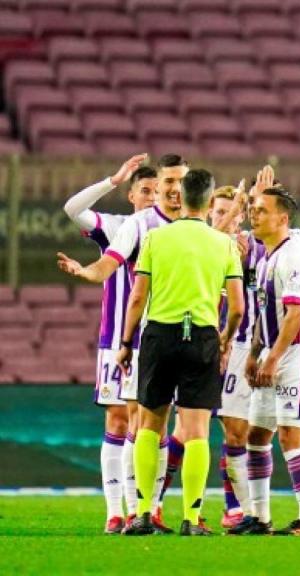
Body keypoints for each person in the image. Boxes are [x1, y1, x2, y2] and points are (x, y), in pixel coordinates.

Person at [58, 153, 189, 534]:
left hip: (164, 337)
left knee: (154, 424)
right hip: (119, 336)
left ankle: (149, 507)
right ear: (132, 195)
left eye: (157, 189)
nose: (151, 196)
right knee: (119, 419)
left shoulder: (181, 226)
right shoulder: (120, 226)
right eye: (144, 190)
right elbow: (72, 208)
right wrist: (112, 180)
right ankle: (117, 511)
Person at [118, 168, 244, 536]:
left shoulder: (156, 239)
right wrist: (224, 339)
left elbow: (138, 296)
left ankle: (142, 512)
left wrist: (126, 343)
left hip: (159, 336)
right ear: (207, 202)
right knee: (197, 431)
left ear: (180, 197)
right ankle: (191, 518)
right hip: (202, 336)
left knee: (149, 426)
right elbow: (236, 306)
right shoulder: (224, 245)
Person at [239, 186, 300, 536]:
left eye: (261, 210)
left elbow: (295, 315)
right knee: (257, 434)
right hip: (271, 354)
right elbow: (264, 312)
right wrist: (252, 353)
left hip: (298, 355)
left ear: (282, 218)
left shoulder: (294, 258)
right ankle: (260, 517)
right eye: (253, 209)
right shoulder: (265, 258)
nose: (253, 215)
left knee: (292, 435)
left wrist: (272, 359)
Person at [207, 184, 254, 528]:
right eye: (221, 211)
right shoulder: (202, 243)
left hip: (240, 347)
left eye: (234, 212)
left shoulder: (251, 246)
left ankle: (235, 506)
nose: (228, 218)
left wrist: (247, 261)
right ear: (209, 212)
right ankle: (152, 505)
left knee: (239, 432)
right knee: (180, 431)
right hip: (203, 345)